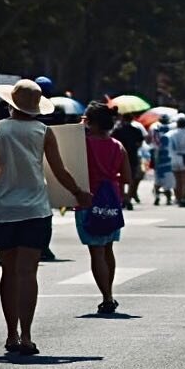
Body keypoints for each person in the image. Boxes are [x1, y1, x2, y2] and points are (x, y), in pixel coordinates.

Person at [0, 79, 92, 356]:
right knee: (28, 274)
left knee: (8, 272)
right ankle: (27, 336)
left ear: (11, 105)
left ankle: (10, 335)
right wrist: (79, 193)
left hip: (3, 210)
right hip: (35, 210)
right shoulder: (43, 131)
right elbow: (59, 171)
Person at [77, 101, 131, 315]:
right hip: (112, 201)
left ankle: (107, 297)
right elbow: (127, 176)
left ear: (90, 122)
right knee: (108, 248)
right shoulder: (118, 146)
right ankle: (109, 294)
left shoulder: (84, 145)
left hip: (88, 200)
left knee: (96, 251)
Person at [111, 112, 145, 209]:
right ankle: (128, 198)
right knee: (132, 178)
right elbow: (140, 143)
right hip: (133, 156)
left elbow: (113, 143)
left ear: (122, 119)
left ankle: (122, 197)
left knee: (120, 177)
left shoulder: (118, 130)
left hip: (119, 156)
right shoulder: (136, 130)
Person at [167, 115, 185, 208]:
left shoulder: (170, 133)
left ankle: (178, 198)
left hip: (173, 157)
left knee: (176, 179)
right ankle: (183, 197)